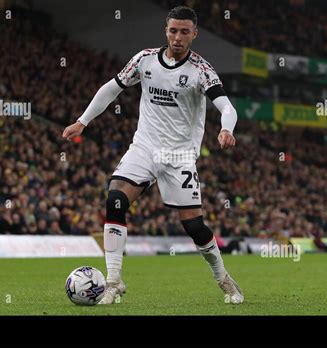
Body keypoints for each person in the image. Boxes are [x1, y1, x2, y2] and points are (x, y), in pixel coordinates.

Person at [63, 6, 243, 305]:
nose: (178, 37)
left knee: (194, 227)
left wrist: (226, 129)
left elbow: (227, 107)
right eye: (173, 30)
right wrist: (83, 121)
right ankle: (112, 281)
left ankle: (224, 278)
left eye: (185, 31)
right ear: (166, 30)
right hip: (144, 147)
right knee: (115, 199)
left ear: (194, 34)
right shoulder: (144, 59)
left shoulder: (201, 70)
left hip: (180, 156)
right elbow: (112, 89)